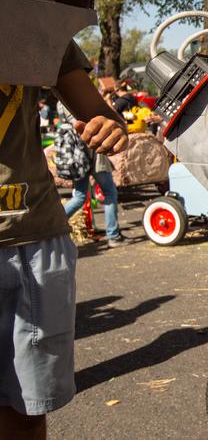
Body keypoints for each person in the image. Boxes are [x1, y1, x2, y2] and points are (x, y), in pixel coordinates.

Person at [0, 42, 128, 438]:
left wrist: (109, 127)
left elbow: (102, 117)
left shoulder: (34, 22)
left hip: (30, 242)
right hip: (32, 248)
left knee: (25, 414)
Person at [60, 102, 127, 247]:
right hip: (94, 156)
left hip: (78, 160)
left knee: (79, 197)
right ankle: (113, 235)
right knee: (110, 193)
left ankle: (53, 224)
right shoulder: (74, 97)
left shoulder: (60, 102)